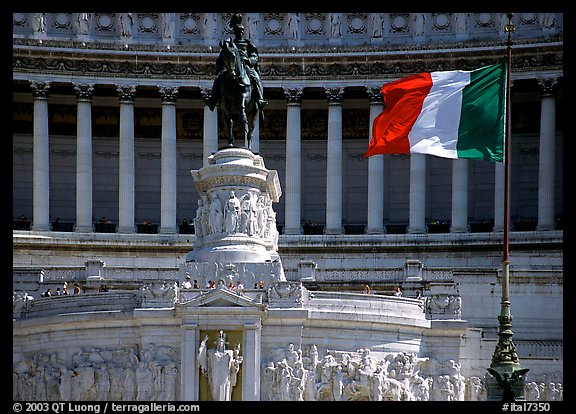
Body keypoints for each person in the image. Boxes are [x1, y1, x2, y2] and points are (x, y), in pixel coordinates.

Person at [207, 13, 267, 112]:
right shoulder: (231, 45)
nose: (240, 33)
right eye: (238, 31)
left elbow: (254, 56)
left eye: (241, 31)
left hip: (246, 66)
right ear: (234, 32)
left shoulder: (248, 44)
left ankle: (260, 99)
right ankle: (213, 99)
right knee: (218, 80)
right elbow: (222, 58)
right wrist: (221, 69)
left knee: (256, 77)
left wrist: (249, 60)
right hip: (232, 67)